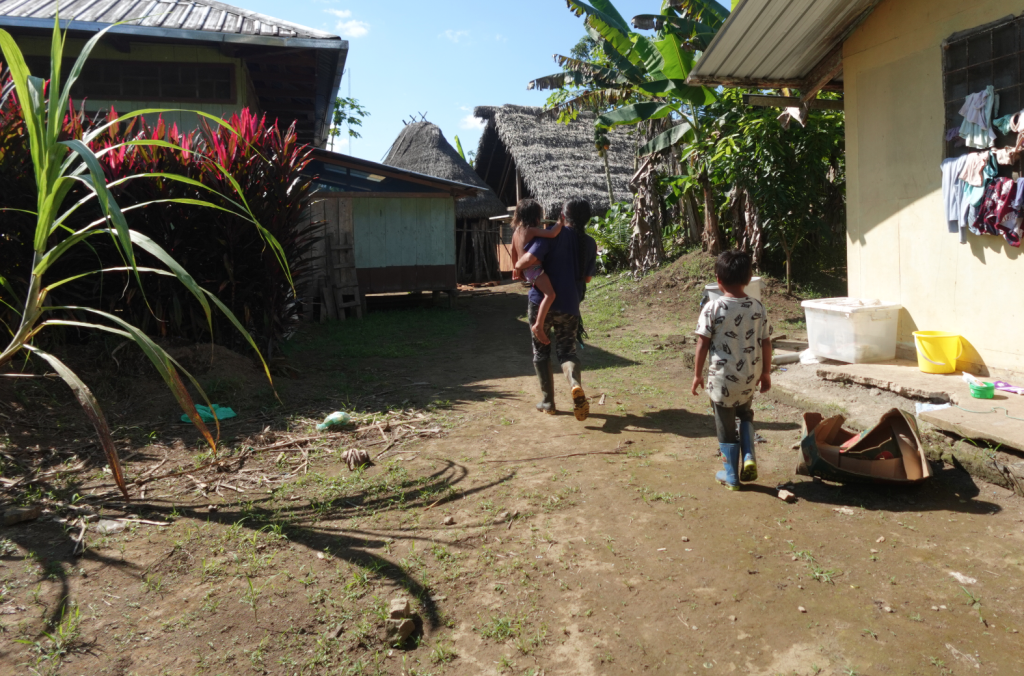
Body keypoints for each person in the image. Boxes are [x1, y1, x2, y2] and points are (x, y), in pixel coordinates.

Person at [690, 250, 773, 490]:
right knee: (745, 415)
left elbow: (702, 343)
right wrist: (766, 373)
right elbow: (766, 342)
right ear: (749, 279)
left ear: (718, 279)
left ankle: (732, 477)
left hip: (722, 382)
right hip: (748, 379)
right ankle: (749, 457)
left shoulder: (712, 308)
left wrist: (697, 375)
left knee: (725, 429)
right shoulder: (758, 307)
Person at [515, 198, 596, 421]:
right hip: (570, 305)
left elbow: (530, 259)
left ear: (563, 215)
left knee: (541, 352)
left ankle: (548, 401)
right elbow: (587, 277)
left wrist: (518, 267)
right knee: (567, 352)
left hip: (540, 301)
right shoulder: (589, 243)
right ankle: (574, 384)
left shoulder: (552, 234)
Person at [509, 199, 562, 345]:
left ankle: (539, 324)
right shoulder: (531, 230)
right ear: (535, 216)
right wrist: (560, 221)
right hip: (535, 270)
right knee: (550, 295)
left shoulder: (516, 233)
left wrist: (515, 268)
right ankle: (538, 325)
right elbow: (552, 234)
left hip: (527, 270)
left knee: (548, 294)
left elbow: (513, 252)